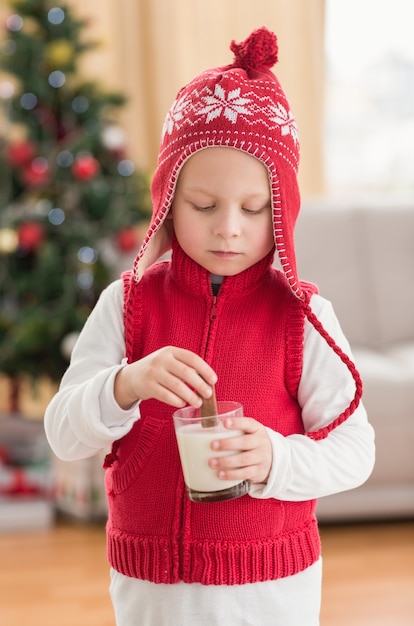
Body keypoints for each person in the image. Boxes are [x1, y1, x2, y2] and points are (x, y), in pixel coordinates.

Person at [44, 27, 375, 626]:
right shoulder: (128, 305)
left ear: (284, 212)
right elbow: (64, 434)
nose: (228, 228)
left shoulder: (303, 318)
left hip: (271, 586)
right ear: (169, 202)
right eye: (203, 205)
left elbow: (355, 450)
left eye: (253, 210)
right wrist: (125, 384)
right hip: (151, 588)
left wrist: (274, 458)